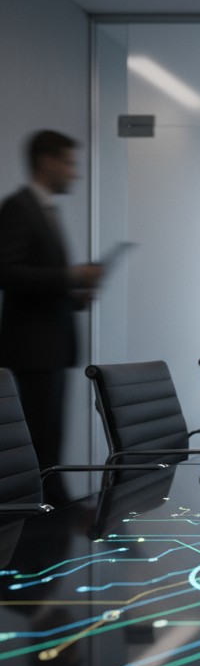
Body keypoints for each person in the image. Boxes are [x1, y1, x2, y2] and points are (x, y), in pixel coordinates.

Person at [0, 130, 103, 494]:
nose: (75, 173)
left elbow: (39, 281)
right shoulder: (19, 208)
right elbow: (6, 273)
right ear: (46, 161)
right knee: (40, 454)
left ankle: (53, 513)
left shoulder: (44, 210)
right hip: (32, 354)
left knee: (49, 448)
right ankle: (44, 519)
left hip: (50, 351)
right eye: (69, 164)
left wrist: (74, 295)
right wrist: (71, 275)